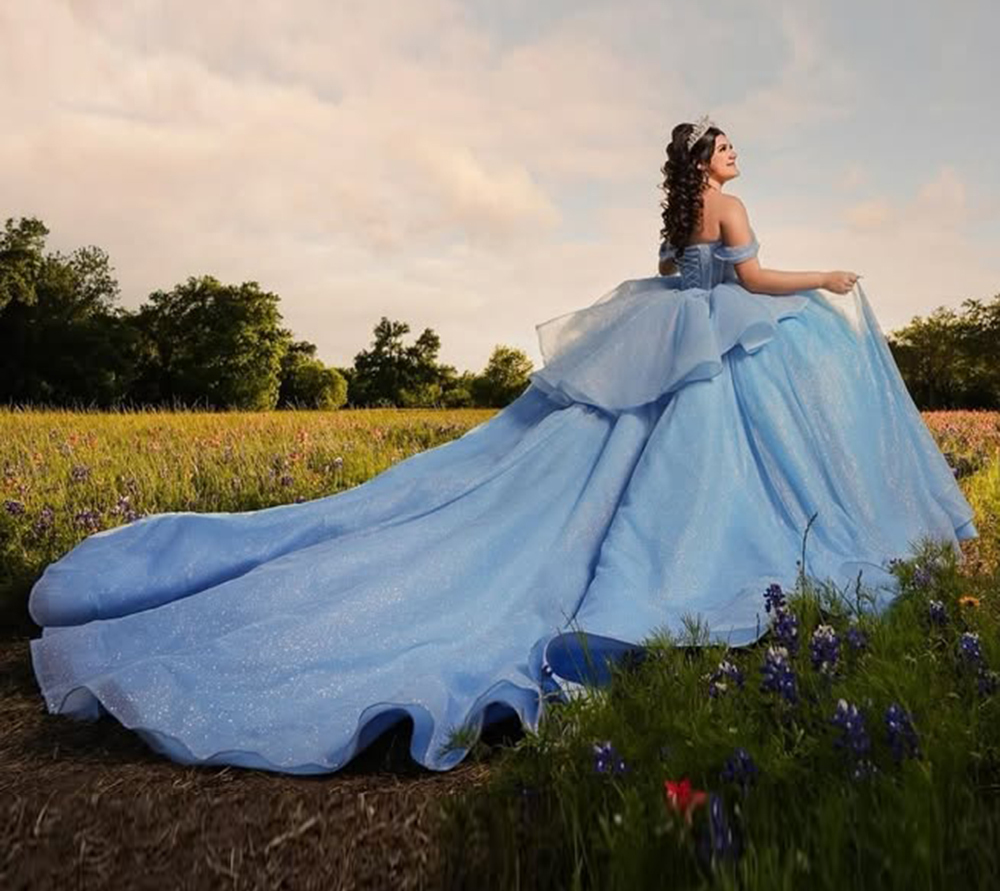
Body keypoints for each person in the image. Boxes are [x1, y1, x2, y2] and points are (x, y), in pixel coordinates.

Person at [27, 117, 976, 776]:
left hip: (671, 326)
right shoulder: (729, 207)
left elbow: (673, 276)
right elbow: (758, 279)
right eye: (726, 145)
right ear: (709, 164)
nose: (736, 154)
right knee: (728, 441)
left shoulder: (679, 217)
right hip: (709, 339)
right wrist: (831, 277)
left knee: (605, 459)